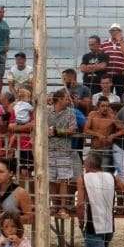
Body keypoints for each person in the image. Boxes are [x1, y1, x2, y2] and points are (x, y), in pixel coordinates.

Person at [48, 89, 78, 217]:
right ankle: (55, 206)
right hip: (49, 150)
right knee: (52, 180)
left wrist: (57, 131)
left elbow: (73, 130)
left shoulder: (70, 112)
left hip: (65, 151)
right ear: (59, 99)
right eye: (66, 98)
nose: (68, 100)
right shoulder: (47, 112)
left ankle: (63, 207)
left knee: (64, 180)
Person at [102, 24, 124, 97]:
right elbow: (101, 59)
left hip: (121, 75)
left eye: (117, 30)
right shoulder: (104, 44)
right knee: (107, 94)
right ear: (110, 32)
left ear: (120, 32)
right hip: (108, 75)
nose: (115, 32)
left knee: (121, 94)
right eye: (113, 30)